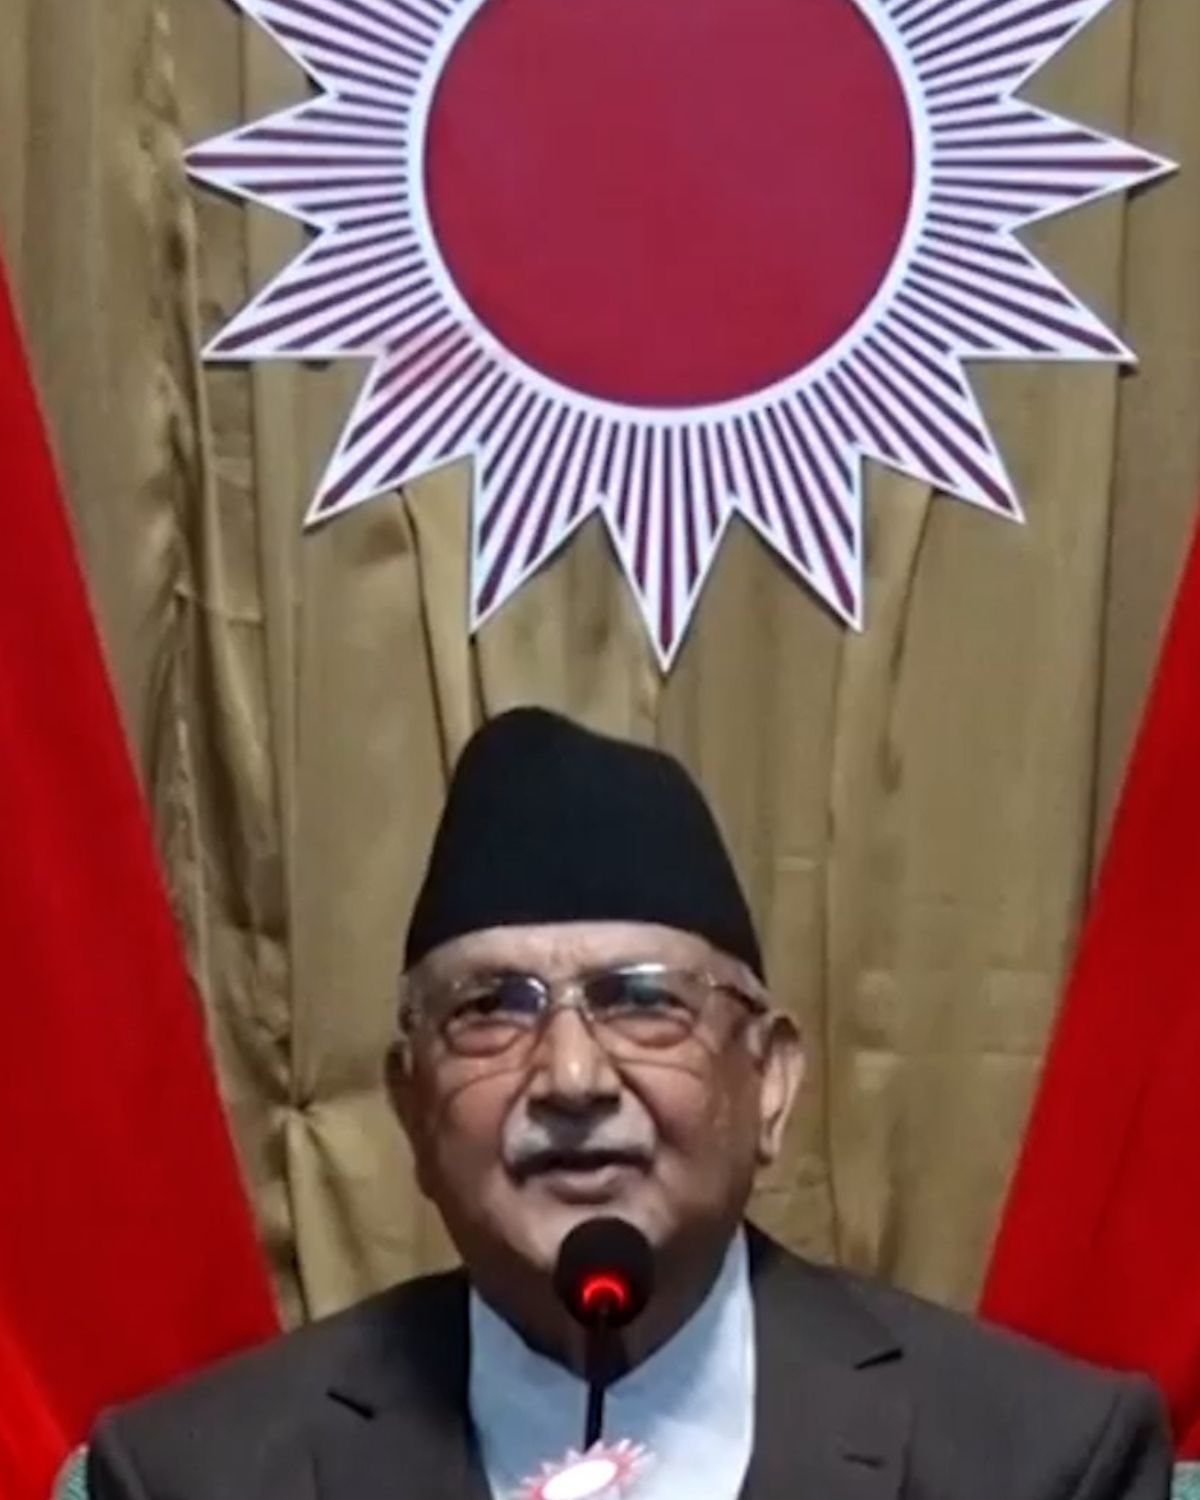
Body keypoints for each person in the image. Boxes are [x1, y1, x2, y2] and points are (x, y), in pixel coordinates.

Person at [86, 709, 1172, 1500]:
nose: (571, 1078)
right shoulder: (195, 1476)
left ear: (770, 1082)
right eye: (492, 1010)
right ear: (412, 1108)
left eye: (643, 1003)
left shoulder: (1038, 1463)